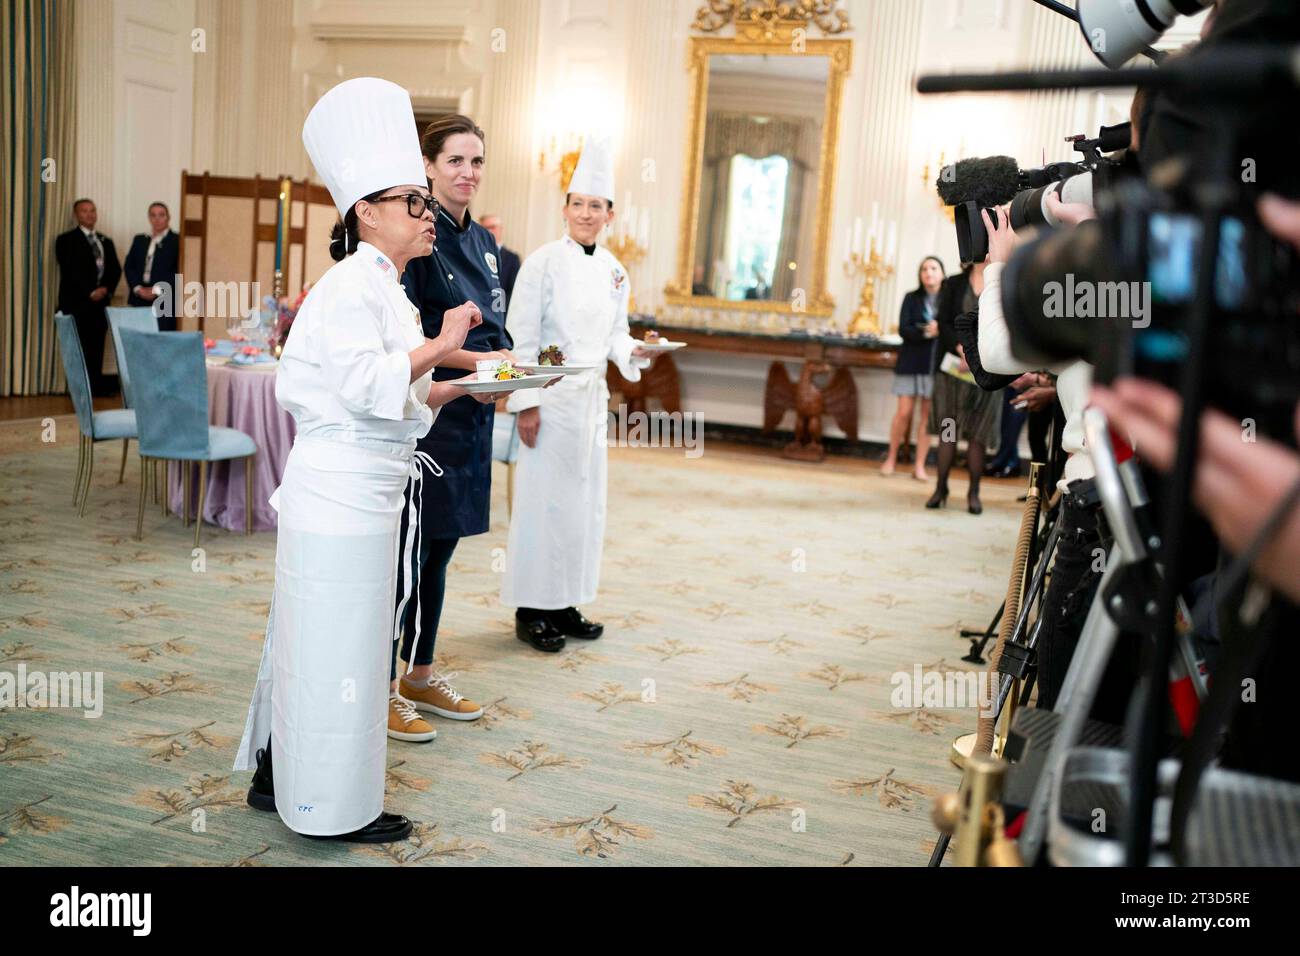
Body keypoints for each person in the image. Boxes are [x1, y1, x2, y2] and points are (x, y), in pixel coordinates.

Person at [233, 77, 494, 843]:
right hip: (340, 492)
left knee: (319, 641)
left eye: (425, 201)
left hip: (365, 489)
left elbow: (395, 395)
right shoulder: (350, 285)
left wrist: (451, 389)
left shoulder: (384, 287)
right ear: (365, 212)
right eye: (412, 201)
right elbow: (361, 385)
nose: (427, 215)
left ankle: (277, 774)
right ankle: (330, 808)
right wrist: (444, 347)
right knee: (337, 650)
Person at [390, 114, 520, 736]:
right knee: (408, 555)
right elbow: (412, 337)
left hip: (473, 415)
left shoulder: (488, 246)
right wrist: (485, 364)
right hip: (431, 411)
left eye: (476, 162)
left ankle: (419, 671)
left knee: (439, 551)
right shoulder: (416, 240)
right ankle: (381, 682)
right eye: (455, 163)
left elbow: (496, 331)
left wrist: (510, 374)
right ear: (428, 167)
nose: (468, 174)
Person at [501, 135, 655, 650]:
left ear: (610, 215)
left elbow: (615, 336)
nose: (587, 213)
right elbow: (522, 338)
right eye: (579, 204)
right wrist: (526, 402)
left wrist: (636, 352)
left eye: (597, 206)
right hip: (550, 395)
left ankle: (565, 601)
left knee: (583, 503)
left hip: (591, 403)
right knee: (544, 502)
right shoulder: (543, 262)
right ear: (565, 209)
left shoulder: (614, 271)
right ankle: (531, 608)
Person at [925, 259, 1001, 514]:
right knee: (948, 430)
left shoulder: (1001, 281)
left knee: (978, 434)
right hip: (952, 369)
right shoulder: (954, 284)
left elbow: (1004, 326)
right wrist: (961, 348)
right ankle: (941, 487)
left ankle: (974, 493)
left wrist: (976, 355)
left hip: (986, 370)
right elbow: (944, 322)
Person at [881, 255, 944, 480]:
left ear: (942, 273)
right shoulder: (911, 298)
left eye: (933, 268)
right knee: (904, 413)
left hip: (934, 365)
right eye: (924, 269)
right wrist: (928, 331)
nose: (929, 272)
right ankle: (891, 459)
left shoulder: (948, 298)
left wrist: (940, 331)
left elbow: (952, 329)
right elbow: (904, 330)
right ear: (920, 275)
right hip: (910, 362)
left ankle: (919, 465)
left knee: (927, 417)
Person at [55, 198, 121, 396]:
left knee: (97, 347)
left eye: (92, 210)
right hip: (77, 303)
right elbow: (70, 270)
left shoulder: (105, 241)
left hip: (100, 305)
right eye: (84, 211)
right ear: (76, 215)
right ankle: (78, 389)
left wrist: (105, 290)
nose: (90, 215)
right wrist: (89, 291)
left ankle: (94, 387)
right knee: (77, 348)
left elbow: (115, 269)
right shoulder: (65, 240)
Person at [123, 202, 180, 328]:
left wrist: (157, 290)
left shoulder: (177, 241)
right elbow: (129, 266)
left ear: (168, 217)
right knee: (139, 340)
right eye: (153, 215)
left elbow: (179, 271)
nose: (157, 219)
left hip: (164, 301)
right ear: (149, 218)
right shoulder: (140, 240)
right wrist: (137, 288)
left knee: (162, 342)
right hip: (139, 299)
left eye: (161, 215)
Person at [478, 213, 520, 304]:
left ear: (500, 229)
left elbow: (513, 293)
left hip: (499, 313)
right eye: (485, 228)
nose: (488, 231)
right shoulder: (474, 254)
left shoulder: (512, 259)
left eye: (492, 227)